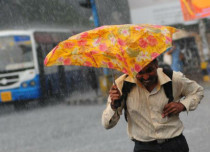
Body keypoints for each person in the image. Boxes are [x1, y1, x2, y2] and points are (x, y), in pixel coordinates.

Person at [102, 59, 204, 152]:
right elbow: (107, 124)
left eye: (149, 70)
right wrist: (113, 105)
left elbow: (198, 91)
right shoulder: (121, 85)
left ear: (156, 65)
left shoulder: (173, 78)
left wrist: (182, 105)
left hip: (175, 145)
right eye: (140, 72)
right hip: (144, 148)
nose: (146, 77)